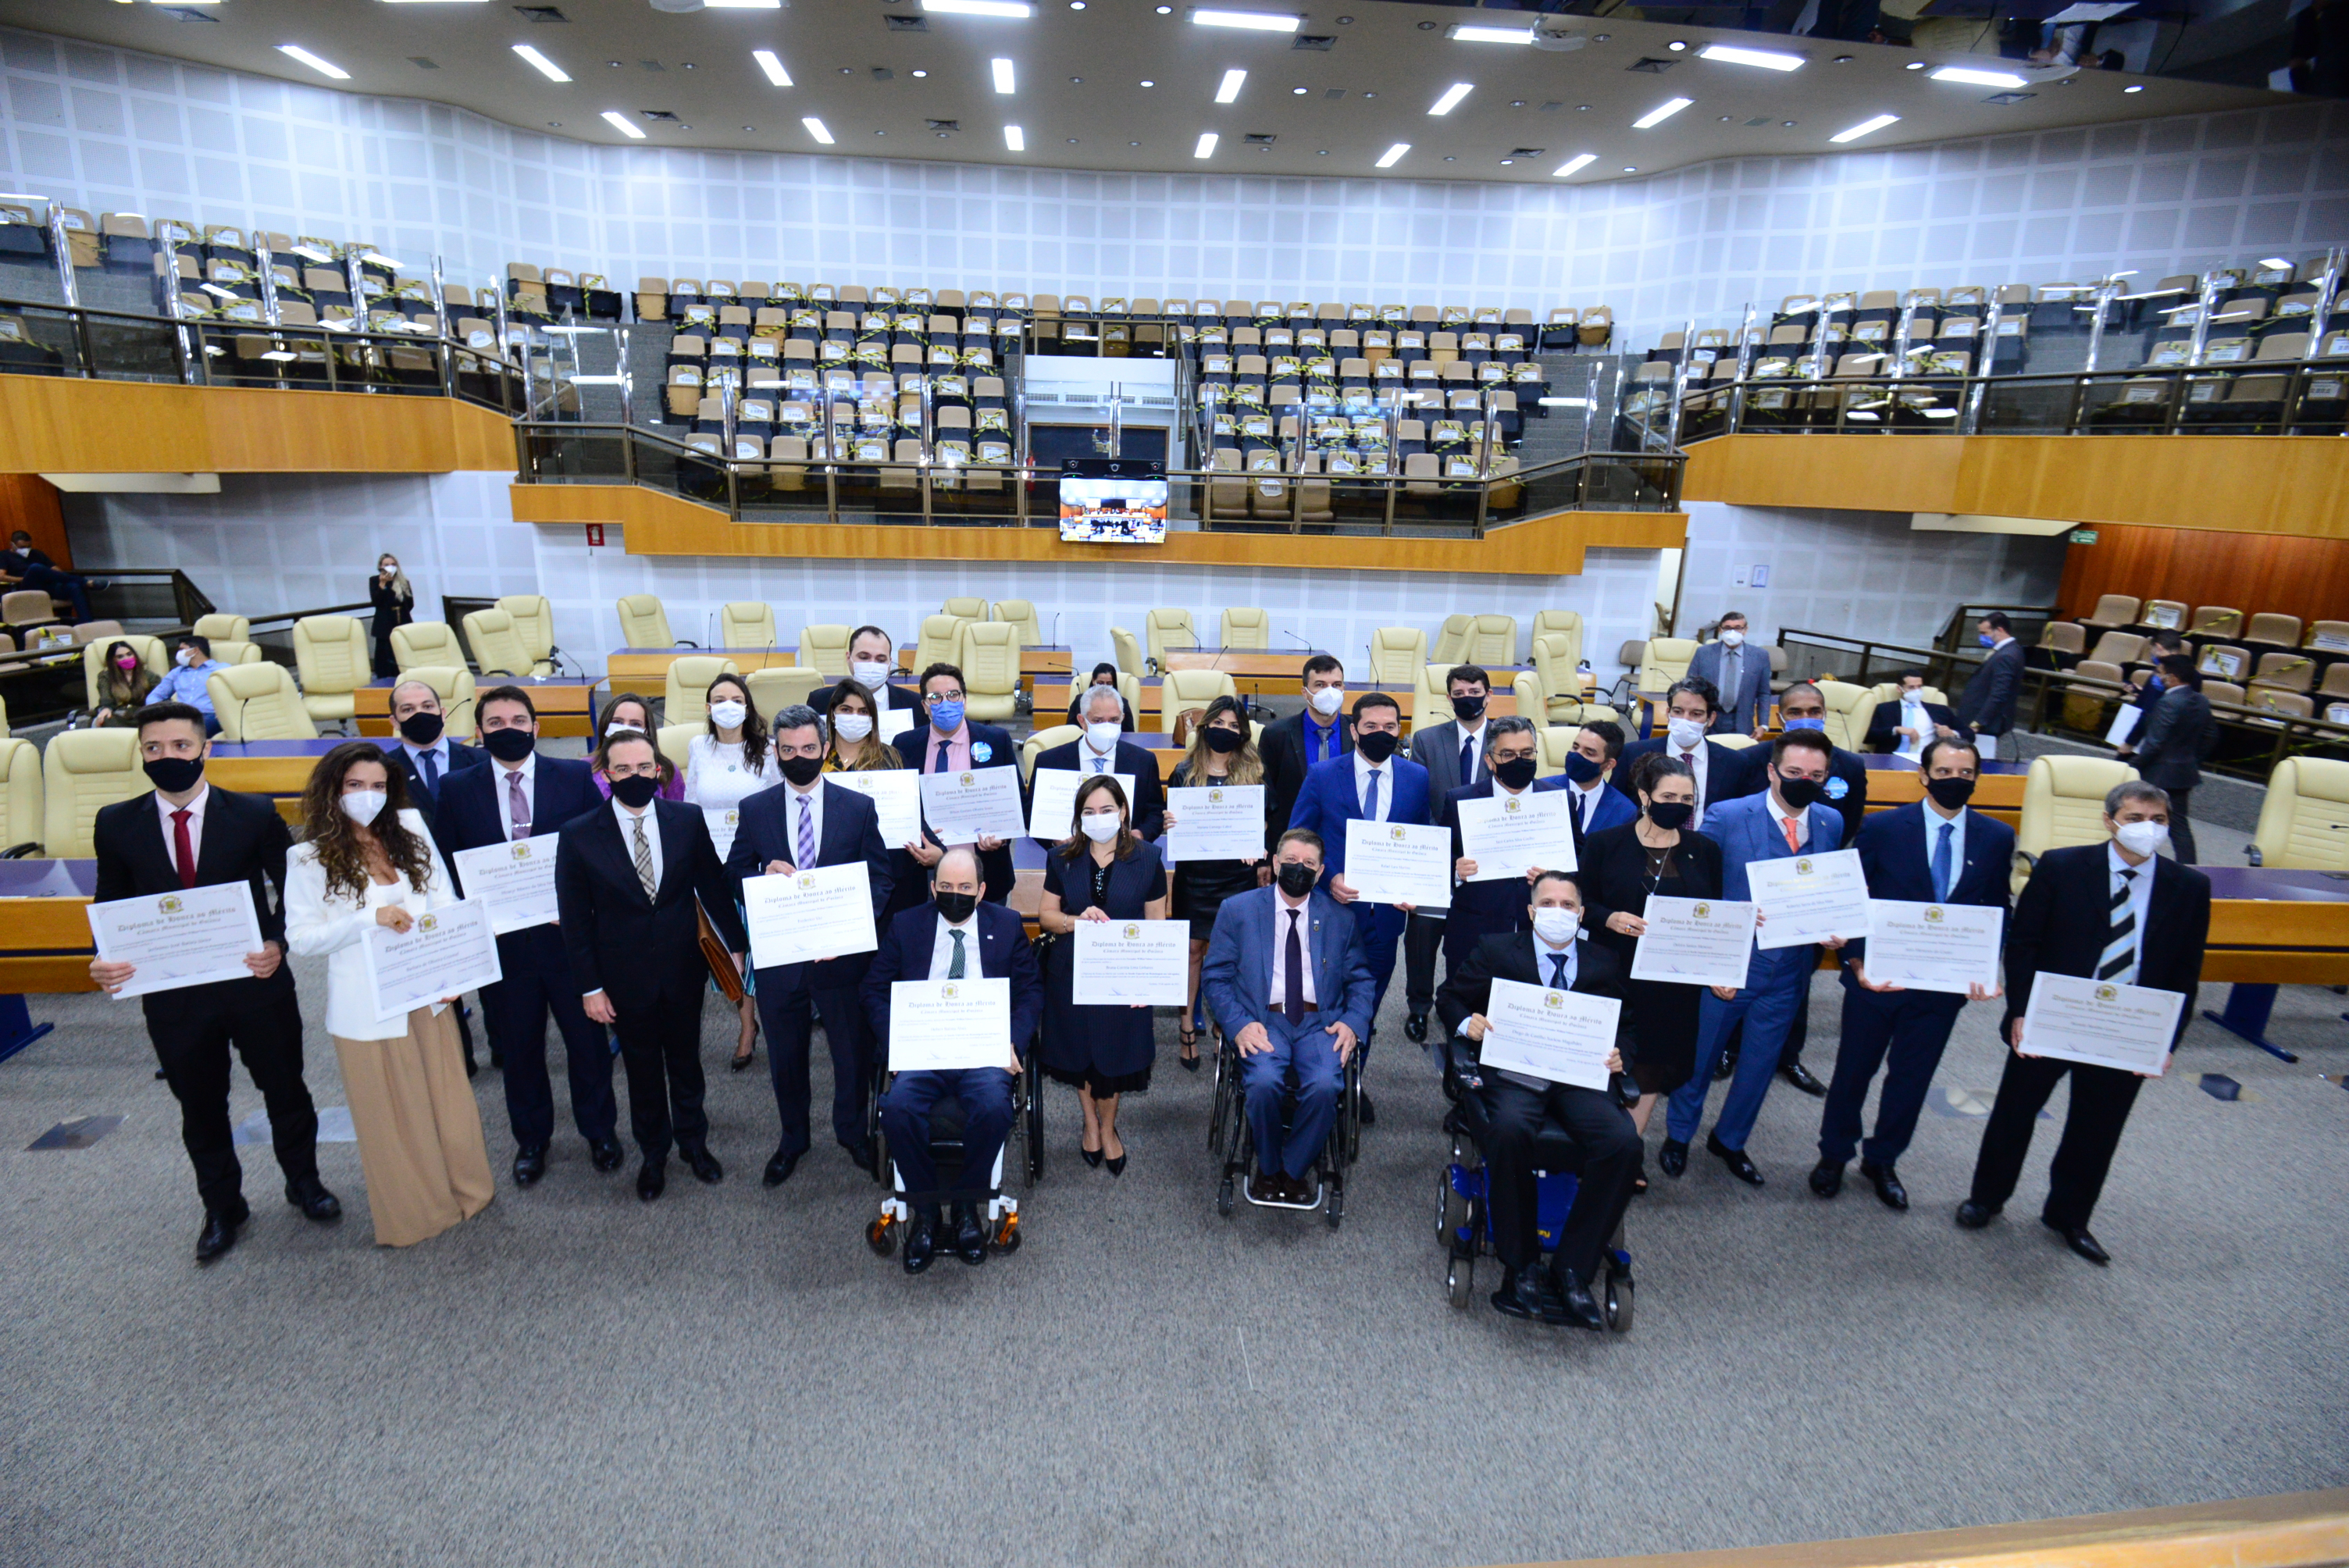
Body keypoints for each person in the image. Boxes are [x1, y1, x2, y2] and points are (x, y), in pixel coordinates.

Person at [88, 701, 340, 1262]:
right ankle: (223, 1206)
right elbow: (112, 903)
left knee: (286, 1090)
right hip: (174, 995)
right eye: (154, 748)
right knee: (200, 1106)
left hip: (256, 982)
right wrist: (103, 957)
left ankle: (304, 1183)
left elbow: (291, 895)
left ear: (205, 748)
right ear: (141, 754)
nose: (167, 757)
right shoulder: (116, 822)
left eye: (180, 746)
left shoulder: (252, 814)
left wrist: (277, 942)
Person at [1959, 781, 2209, 1264]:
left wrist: (2166, 1038)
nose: (2148, 829)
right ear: (2110, 819)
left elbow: (2186, 970)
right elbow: (2026, 943)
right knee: (2015, 1114)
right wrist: (2020, 1012)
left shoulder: (2189, 886)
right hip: (2053, 1016)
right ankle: (1986, 1199)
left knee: (2098, 1128)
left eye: (2158, 821)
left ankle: (2069, 1216)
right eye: (2136, 818)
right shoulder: (2063, 866)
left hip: (2128, 1026)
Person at [283, 743, 494, 1246]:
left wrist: (455, 965)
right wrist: (367, 919)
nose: (367, 795)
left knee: (447, 1102)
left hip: (427, 994)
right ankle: (416, 1214)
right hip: (367, 1009)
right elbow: (302, 939)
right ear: (333, 790)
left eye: (377, 786)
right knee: (392, 1118)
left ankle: (467, 1192)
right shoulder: (307, 856)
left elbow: (444, 900)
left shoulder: (412, 832)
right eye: (354, 785)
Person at [429, 685, 619, 1187]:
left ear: (537, 727)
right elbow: (449, 866)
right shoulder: (455, 788)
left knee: (587, 1044)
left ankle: (600, 1131)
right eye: (495, 722)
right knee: (519, 1048)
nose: (508, 729)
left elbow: (599, 850)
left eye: (518, 720)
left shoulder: (576, 776)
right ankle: (532, 1141)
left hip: (569, 938)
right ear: (480, 732)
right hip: (502, 945)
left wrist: (587, 909)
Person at [1814, 736, 2014, 1209]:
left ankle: (1883, 1159)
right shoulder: (1883, 828)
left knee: (1912, 1078)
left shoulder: (1997, 836)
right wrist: (1855, 961)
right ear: (1924, 776)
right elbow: (1853, 896)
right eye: (1944, 772)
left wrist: (1986, 965)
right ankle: (1834, 1155)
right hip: (1875, 979)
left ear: (1976, 779)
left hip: (1941, 988)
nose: (1954, 781)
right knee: (1852, 1073)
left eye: (1965, 774)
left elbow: (1996, 907)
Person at [1435, 871, 1641, 1328]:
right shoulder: (1496, 950)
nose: (1558, 912)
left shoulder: (1602, 963)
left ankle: (1573, 1269)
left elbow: (1625, 1025)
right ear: (1530, 912)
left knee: (1624, 1144)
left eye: (1568, 905)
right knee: (1508, 1131)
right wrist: (1465, 1021)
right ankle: (1521, 1264)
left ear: (1582, 915)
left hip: (1579, 1078)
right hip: (1514, 1072)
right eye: (1547, 903)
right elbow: (1448, 997)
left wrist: (1620, 1054)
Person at [554, 728, 747, 1202]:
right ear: (606, 773)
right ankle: (654, 1156)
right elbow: (575, 923)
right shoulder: (578, 836)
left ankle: (694, 1147)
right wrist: (589, 987)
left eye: (644, 768)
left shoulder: (686, 819)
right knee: (641, 1072)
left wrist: (737, 947)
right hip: (622, 979)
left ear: (658, 771)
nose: (635, 776)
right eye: (623, 769)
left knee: (686, 1065)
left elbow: (713, 885)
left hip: (683, 969)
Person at [1660, 729, 1848, 1185]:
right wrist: (1729, 926)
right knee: (1701, 1057)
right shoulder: (1726, 816)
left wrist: (1833, 926)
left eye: (1816, 775)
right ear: (1772, 771)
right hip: (1728, 964)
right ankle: (1678, 1136)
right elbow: (1692, 886)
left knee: (1761, 1061)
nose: (1805, 780)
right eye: (1794, 772)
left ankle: (1731, 1140)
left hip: (1789, 970)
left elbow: (1826, 890)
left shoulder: (1829, 822)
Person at [725, 704, 893, 1186]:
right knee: (786, 1055)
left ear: (824, 749)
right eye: (788, 750)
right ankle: (793, 1139)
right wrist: (761, 874)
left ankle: (852, 1133)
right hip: (781, 961)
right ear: (775, 752)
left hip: (841, 958)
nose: (798, 757)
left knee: (850, 1054)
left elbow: (879, 879)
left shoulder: (857, 807)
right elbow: (733, 874)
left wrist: (850, 927)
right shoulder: (755, 810)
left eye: (808, 749)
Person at [862, 845, 1043, 1274]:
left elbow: (1031, 992)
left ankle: (966, 1204)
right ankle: (925, 1212)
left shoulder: (1008, 924)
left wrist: (1012, 1044)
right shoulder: (907, 926)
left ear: (981, 891)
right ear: (932, 888)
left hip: (983, 1049)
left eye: (964, 887)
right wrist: (897, 1043)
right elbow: (873, 989)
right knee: (897, 1107)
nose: (955, 894)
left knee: (995, 1106)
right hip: (922, 1051)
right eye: (946, 887)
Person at [1199, 829, 1377, 1205]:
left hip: (1321, 1022)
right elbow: (1215, 977)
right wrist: (1238, 1024)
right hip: (1261, 1019)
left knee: (1327, 1087)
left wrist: (1353, 1021)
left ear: (1321, 871)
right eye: (1291, 861)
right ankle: (1268, 1162)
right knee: (1263, 1082)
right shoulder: (1238, 910)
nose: (1299, 869)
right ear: (1276, 863)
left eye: (1309, 864)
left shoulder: (1340, 919)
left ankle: (1292, 1169)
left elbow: (1361, 980)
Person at [1285, 691, 1430, 1084]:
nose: (1381, 733)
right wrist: (1328, 875)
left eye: (1390, 727)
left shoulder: (1416, 777)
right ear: (1354, 730)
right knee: (1322, 999)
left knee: (1366, 1005)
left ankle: (1350, 1084)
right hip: (1329, 913)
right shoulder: (1323, 774)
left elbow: (1424, 838)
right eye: (1371, 727)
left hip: (1385, 918)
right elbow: (1298, 836)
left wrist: (1419, 885)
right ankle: (1311, 1080)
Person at [1577, 754, 1723, 1136]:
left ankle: (1629, 1146)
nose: (1679, 805)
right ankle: (1597, 1140)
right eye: (1669, 796)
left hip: (1672, 985)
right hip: (1613, 973)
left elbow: (1714, 918)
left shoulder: (1705, 850)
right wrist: (1609, 918)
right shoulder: (1605, 843)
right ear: (1645, 796)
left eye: (1687, 799)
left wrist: (1722, 968)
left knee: (1653, 1068)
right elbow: (1582, 904)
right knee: (1606, 1060)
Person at [1036, 775, 1170, 1173]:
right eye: (1089, 812)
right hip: (1071, 972)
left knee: (1112, 1061)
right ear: (1079, 818)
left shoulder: (1147, 858)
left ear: (1123, 812)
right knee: (1079, 1058)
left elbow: (1157, 924)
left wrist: (1150, 980)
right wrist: (1076, 921)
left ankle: (1108, 1127)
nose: (1098, 818)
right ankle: (1090, 1123)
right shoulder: (1061, 857)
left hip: (1123, 976)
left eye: (1107, 810)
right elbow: (1046, 916)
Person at [1164, 694, 1271, 1069]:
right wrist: (1169, 825)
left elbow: (1267, 821)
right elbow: (1176, 820)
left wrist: (1259, 842)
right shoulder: (1184, 771)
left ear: (1242, 733)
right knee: (1191, 952)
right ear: (1205, 726)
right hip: (1196, 878)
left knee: (1232, 956)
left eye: (1233, 726)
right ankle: (1186, 1026)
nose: (1225, 731)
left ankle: (1228, 1027)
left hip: (1236, 877)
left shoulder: (1254, 770)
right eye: (1218, 723)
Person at [681, 671, 773, 1071]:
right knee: (729, 951)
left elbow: (777, 806)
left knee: (754, 951)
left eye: (737, 699)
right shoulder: (698, 747)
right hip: (707, 863)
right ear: (707, 707)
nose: (728, 706)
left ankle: (754, 1027)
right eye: (720, 699)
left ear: (748, 706)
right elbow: (688, 804)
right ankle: (746, 1023)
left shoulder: (767, 751)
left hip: (751, 864)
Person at [1403, 663, 1495, 1042]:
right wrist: (1437, 856)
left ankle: (1459, 1007)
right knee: (1422, 941)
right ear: (1449, 698)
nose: (1468, 699)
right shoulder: (1426, 739)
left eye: (1475, 692)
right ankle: (1419, 1007)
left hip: (1488, 864)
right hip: (1436, 862)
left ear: (1489, 696)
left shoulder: (1506, 738)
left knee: (1475, 943)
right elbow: (1417, 801)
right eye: (1459, 694)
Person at [1438, 716, 1562, 974]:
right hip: (1475, 930)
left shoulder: (1558, 801)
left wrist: (1556, 876)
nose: (1519, 760)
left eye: (1527, 753)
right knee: (1466, 1007)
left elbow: (1579, 858)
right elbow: (1440, 857)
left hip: (1539, 931)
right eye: (1508, 754)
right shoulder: (1460, 800)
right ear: (1489, 760)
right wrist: (1455, 870)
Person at [893, 661, 1018, 905]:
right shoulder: (905, 744)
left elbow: (1014, 803)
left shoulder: (996, 740)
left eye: (953, 695)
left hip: (983, 870)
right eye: (936, 697)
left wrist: (1002, 836)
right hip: (924, 872)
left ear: (964, 700)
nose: (946, 702)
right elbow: (900, 805)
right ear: (925, 707)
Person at [1032, 682, 1166, 840]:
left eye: (1114, 720)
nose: (1107, 727)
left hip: (1125, 856)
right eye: (1098, 721)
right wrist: (1054, 842)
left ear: (1123, 718)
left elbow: (1156, 811)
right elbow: (1032, 812)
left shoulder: (1143, 761)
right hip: (1068, 857)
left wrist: (1141, 834)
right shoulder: (1050, 762)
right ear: (1082, 721)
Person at [2116, 653, 2214, 865]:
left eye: (2160, 673)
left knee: (2134, 818)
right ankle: (2188, 868)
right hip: (2183, 773)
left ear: (2172, 677)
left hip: (2158, 773)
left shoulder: (2168, 702)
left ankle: (2132, 862)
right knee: (2179, 826)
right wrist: (2191, 760)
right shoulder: (2202, 701)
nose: (2158, 677)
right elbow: (2210, 737)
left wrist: (2133, 767)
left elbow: (2154, 743)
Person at [1614, 677, 1743, 827]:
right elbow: (1617, 808)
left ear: (1711, 718)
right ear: (1668, 713)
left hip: (1708, 846)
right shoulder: (1633, 754)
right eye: (1678, 711)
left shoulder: (1735, 763)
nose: (1685, 720)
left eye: (1696, 714)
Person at [1259, 653, 1352, 853]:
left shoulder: (1357, 732)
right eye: (1320, 685)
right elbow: (1266, 799)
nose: (1330, 692)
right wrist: (1266, 856)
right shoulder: (1276, 735)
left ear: (1344, 688)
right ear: (1304, 692)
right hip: (1292, 844)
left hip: (1345, 844)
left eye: (1336, 685)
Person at [380, 677, 486, 822]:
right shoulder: (384, 769)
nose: (420, 714)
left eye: (428, 707)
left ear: (442, 714)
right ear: (395, 722)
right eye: (408, 709)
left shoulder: (481, 761)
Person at [1948, 611, 2025, 760]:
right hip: (1982, 720)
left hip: (1987, 724)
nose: (1981, 637)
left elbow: (1999, 693)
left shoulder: (2006, 656)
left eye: (1985, 633)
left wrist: (1978, 722)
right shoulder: (2009, 650)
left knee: (1978, 762)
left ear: (2000, 630)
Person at [1684, 610, 1771, 735]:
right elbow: (1690, 687)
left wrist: (1763, 724)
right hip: (1708, 718)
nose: (1732, 633)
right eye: (1727, 628)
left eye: (1738, 628)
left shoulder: (1759, 656)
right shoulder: (1703, 653)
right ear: (1720, 630)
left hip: (1742, 720)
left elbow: (1764, 693)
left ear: (1745, 630)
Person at [590, 693, 685, 802]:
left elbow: (678, 812)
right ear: (605, 725)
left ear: (647, 731)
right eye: (618, 722)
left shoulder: (667, 769)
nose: (625, 728)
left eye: (635, 724)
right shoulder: (586, 769)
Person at [1556, 719, 1637, 841]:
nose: (1577, 755)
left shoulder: (1624, 810)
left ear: (1608, 765)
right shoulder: (1538, 791)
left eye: (1589, 753)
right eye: (1575, 747)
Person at [818, 624, 920, 717]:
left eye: (881, 660)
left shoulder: (914, 703)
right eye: (864, 657)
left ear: (890, 663)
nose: (872, 664)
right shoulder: (821, 701)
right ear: (848, 658)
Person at [0, 529, 98, 622]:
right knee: (35, 568)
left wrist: (50, 575)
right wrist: (23, 579)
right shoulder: (4, 556)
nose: (26, 550)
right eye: (22, 547)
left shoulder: (37, 554)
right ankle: (84, 582)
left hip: (46, 586)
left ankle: (87, 623)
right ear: (12, 545)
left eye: (28, 546)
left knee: (73, 587)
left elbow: (56, 570)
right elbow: (1, 576)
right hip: (25, 587)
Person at [144, 634, 231, 736]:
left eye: (182, 650)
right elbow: (156, 695)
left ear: (195, 651)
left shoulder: (222, 669)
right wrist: (157, 711)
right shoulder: (177, 672)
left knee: (187, 731)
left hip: (209, 716)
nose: (178, 654)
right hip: (181, 715)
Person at [1863, 670, 1955, 759]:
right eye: (1911, 687)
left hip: (1926, 760)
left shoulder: (1939, 710)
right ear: (1900, 689)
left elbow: (1968, 733)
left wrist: (1952, 733)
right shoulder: (1885, 709)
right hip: (1891, 758)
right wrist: (1896, 729)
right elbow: (1868, 737)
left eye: (1919, 687)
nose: (1916, 691)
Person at [822, 678, 905, 773]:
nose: (855, 716)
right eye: (846, 710)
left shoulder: (891, 759)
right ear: (833, 714)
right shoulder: (817, 756)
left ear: (872, 718)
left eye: (863, 712)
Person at [367, 551, 415, 679]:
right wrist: (382, 585)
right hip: (384, 622)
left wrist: (401, 613)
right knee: (386, 653)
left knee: (403, 650)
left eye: (393, 564)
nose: (390, 567)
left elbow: (410, 603)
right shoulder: (375, 581)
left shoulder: (403, 581)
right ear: (381, 567)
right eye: (387, 564)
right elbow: (376, 602)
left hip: (402, 619)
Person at [91, 639, 157, 725]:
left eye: (129, 654)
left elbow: (159, 695)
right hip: (119, 717)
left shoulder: (148, 675)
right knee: (107, 719)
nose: (126, 658)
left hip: (144, 716)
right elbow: (106, 699)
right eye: (120, 657)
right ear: (113, 660)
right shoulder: (106, 676)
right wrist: (106, 709)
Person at [1061, 661, 1137, 731]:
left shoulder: (1123, 702)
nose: (1104, 687)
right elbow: (1071, 730)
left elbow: (1129, 734)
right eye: (1100, 683)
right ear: (1094, 681)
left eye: (1109, 684)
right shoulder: (1080, 701)